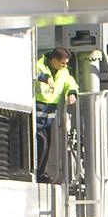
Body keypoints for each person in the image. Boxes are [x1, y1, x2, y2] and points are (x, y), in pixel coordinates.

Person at [34, 47, 79, 182]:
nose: (65, 66)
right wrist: (45, 78)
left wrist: (71, 92)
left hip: (50, 109)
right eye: (63, 63)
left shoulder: (63, 71)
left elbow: (70, 82)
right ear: (54, 60)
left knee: (46, 141)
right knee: (40, 141)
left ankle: (41, 172)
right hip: (37, 107)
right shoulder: (39, 65)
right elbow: (32, 73)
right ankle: (37, 173)